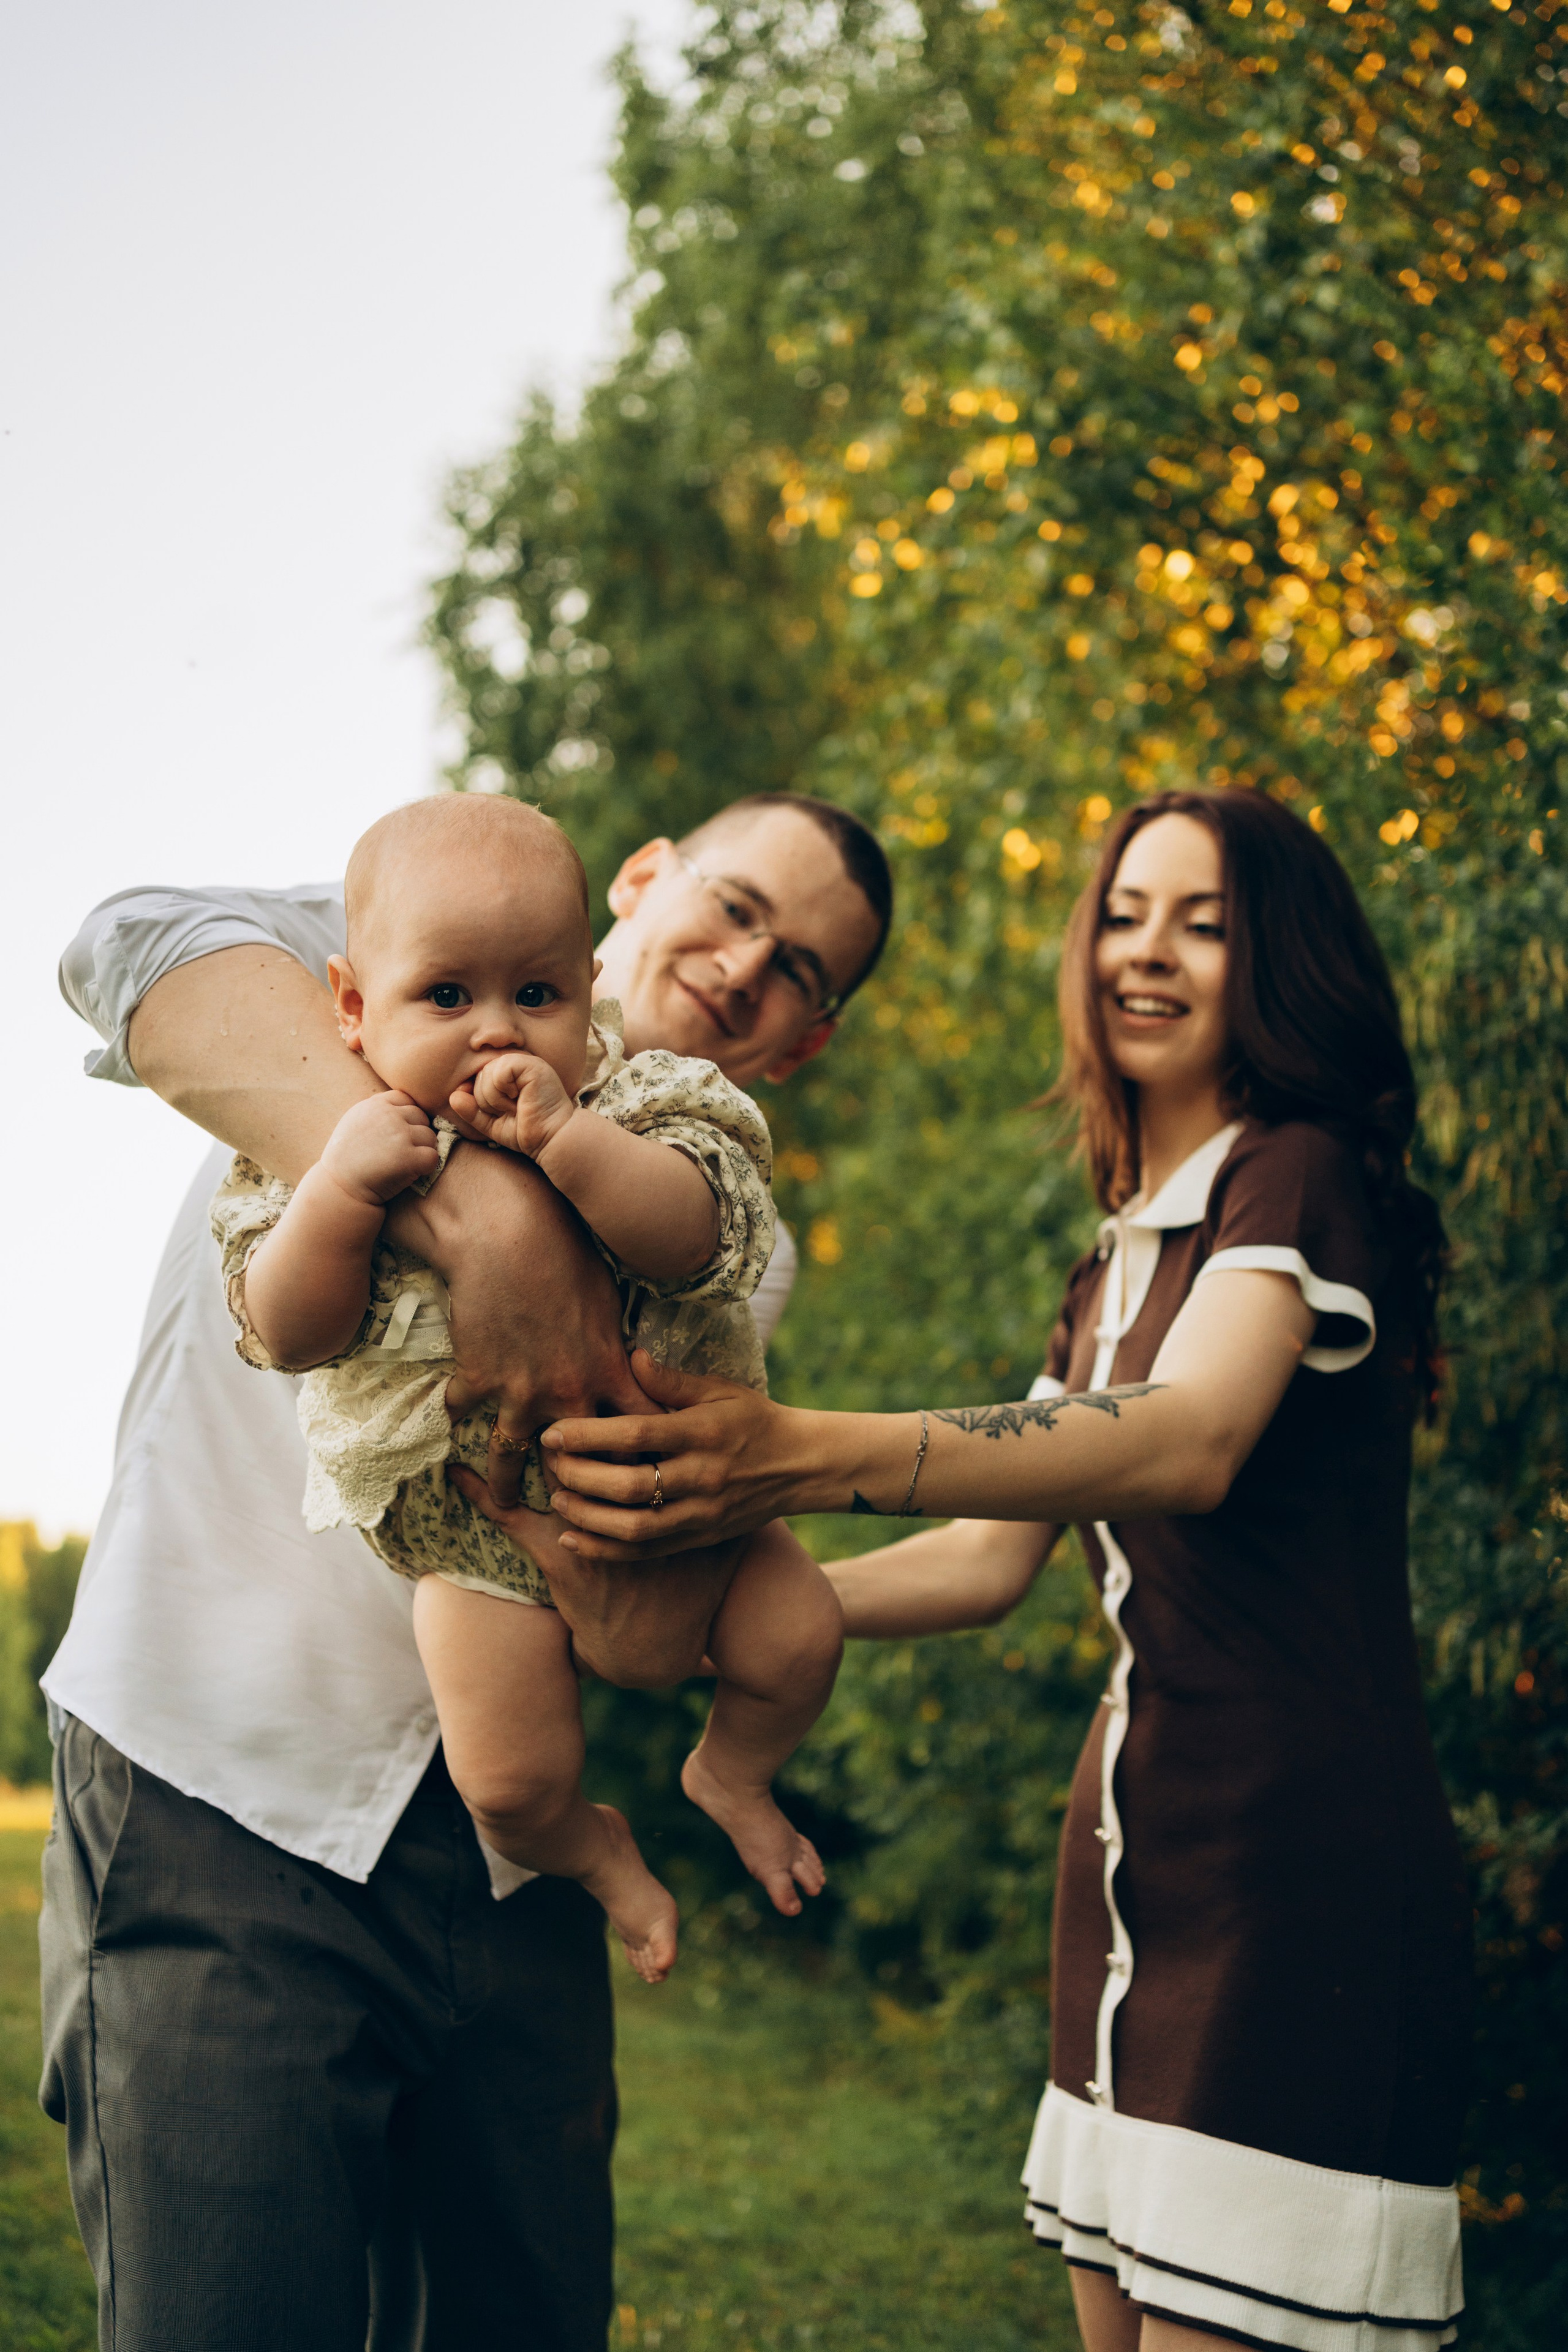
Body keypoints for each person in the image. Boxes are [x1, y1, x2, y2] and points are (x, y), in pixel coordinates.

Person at [521, 790, 1471, 2352]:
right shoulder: (1113, 1257)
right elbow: (981, 1558)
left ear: (1277, 966)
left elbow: (1183, 1441)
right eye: (1122, 912)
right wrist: (715, 1634)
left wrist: (801, 1449)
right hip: (1123, 1873)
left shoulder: (1289, 1178)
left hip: (1300, 1873)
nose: (1144, 952)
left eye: (1205, 923)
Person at [45, 791, 890, 2352]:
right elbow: (125, 943)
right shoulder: (373, 941)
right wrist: (487, 1215)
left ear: (804, 1040)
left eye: (802, 970)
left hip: (512, 1851)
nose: (747, 963)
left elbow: (627, 1573)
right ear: (649, 875)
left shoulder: (723, 1225)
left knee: (521, 2313)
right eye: (733, 902)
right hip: (229, 1786)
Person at [217, 794, 840, 1983]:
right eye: (446, 996)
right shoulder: (326, 1135)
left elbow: (692, 1234)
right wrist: (341, 1197)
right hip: (468, 1527)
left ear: (584, 981)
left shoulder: (641, 1098)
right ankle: (595, 1854)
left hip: (677, 1512)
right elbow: (284, 1331)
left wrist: (571, 1148)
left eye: (536, 997)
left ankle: (732, 1771)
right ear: (352, 1006)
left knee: (801, 1636)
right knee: (507, 1780)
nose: (495, 1032)